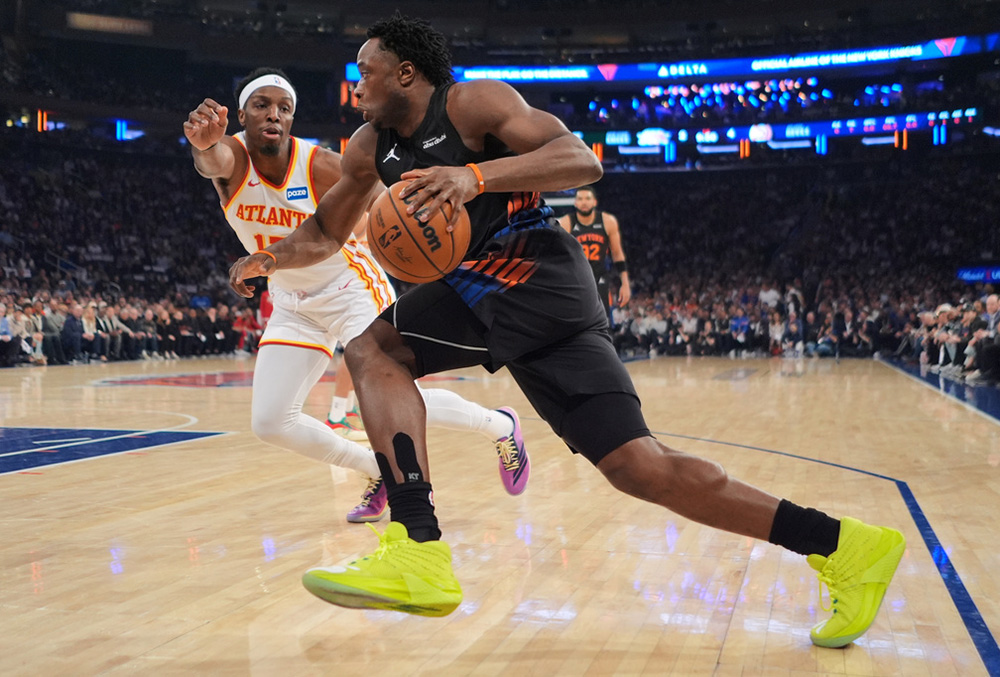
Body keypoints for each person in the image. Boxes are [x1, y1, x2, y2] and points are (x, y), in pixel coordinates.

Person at [228, 15, 904, 649]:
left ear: (406, 73)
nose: (356, 81)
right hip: (471, 294)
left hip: (543, 286)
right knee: (374, 347)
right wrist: (269, 258)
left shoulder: (471, 105)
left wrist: (474, 175)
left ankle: (843, 545)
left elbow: (581, 159)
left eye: (365, 68)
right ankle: (419, 545)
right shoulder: (370, 148)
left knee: (641, 469)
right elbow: (323, 229)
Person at [184, 66, 530, 522]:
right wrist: (203, 143)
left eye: (284, 108)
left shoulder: (320, 164)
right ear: (243, 116)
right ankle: (373, 467)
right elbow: (211, 162)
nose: (274, 115)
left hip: (351, 286)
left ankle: (500, 426)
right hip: (291, 299)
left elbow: (378, 203)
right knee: (270, 422)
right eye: (262, 106)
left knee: (395, 397)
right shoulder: (231, 158)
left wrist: (381, 232)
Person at [557, 186, 630, 321]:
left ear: (595, 202)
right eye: (580, 199)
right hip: (575, 281)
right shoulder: (566, 222)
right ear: (575, 203)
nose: (584, 202)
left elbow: (617, 254)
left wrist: (625, 283)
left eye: (587, 198)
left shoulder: (608, 221)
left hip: (599, 278)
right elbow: (559, 256)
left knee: (602, 324)